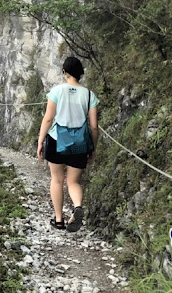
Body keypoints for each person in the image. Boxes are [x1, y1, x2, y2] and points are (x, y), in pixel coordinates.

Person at [36, 56, 99, 232]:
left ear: (64, 72)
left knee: (57, 179)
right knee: (73, 182)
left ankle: (58, 220)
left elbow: (48, 118)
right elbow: (93, 126)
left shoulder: (56, 91)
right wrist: (92, 147)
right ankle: (77, 206)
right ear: (80, 74)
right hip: (80, 143)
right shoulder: (89, 95)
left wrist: (41, 141)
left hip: (56, 140)